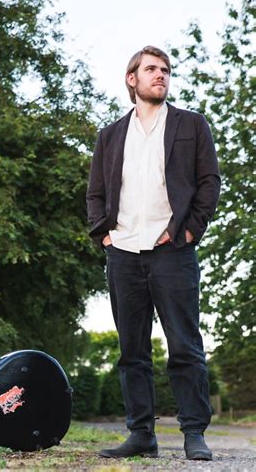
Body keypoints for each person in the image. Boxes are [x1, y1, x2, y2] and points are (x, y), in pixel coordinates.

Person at [86, 46, 220, 461]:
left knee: (184, 345)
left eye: (165, 69)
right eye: (151, 69)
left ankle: (194, 433)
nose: (160, 75)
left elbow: (209, 181)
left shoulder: (191, 124)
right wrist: (103, 236)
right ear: (132, 79)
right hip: (123, 253)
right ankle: (141, 434)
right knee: (132, 352)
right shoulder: (110, 136)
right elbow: (95, 193)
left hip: (172, 251)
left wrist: (189, 230)